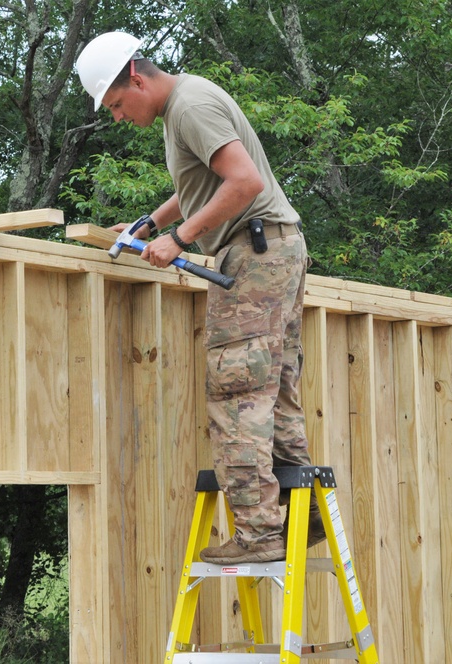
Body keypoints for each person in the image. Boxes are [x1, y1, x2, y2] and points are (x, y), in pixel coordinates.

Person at [76, 32, 325, 564]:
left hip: (255, 253)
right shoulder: (185, 104)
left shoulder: (189, 107)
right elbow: (202, 182)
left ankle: (259, 535)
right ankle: (303, 522)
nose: (119, 117)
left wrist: (181, 239)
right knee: (274, 385)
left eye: (118, 104)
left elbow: (244, 182)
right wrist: (154, 223)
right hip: (276, 249)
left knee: (237, 392)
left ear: (137, 78)